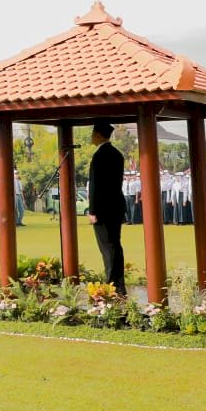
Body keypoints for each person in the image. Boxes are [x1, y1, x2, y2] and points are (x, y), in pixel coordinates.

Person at [87, 122, 127, 296]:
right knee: (115, 245)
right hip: (116, 206)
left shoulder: (99, 156)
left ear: (98, 135)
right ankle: (119, 284)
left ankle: (111, 284)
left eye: (92, 133)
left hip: (103, 209)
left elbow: (96, 186)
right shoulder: (117, 154)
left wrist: (93, 211)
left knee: (107, 247)